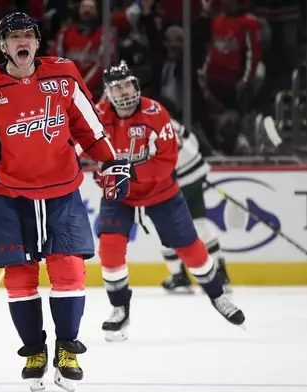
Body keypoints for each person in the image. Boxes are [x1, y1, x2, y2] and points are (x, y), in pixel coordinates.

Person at [0, 12, 130, 392]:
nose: (22, 41)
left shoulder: (64, 74)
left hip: (61, 188)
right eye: (14, 36)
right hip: (9, 195)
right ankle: (34, 352)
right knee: (20, 277)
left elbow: (88, 125)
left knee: (70, 270)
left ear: (37, 43)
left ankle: (67, 349)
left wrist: (110, 161)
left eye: (28, 35)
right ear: (3, 45)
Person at [94, 61, 244, 342]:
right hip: (119, 194)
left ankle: (217, 296)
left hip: (161, 192)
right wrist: (99, 170)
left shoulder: (155, 112)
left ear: (136, 85)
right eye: (117, 87)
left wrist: (126, 170)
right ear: (108, 93)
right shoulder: (98, 114)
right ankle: (119, 309)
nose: (124, 91)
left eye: (128, 84)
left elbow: (165, 163)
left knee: (191, 249)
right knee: (110, 248)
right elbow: (81, 147)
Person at [160, 118, 232, 294]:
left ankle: (179, 276)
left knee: (165, 227)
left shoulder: (134, 125)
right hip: (195, 167)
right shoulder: (159, 112)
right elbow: (189, 136)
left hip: (177, 179)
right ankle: (220, 273)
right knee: (198, 224)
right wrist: (191, 160)